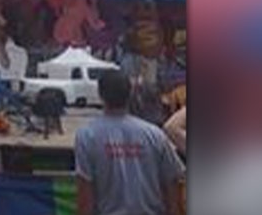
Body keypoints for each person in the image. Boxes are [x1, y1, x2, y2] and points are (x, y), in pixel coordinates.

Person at [74, 70, 185, 215]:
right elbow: (172, 185)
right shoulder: (154, 135)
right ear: (130, 94)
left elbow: (85, 194)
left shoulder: (87, 136)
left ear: (100, 95)